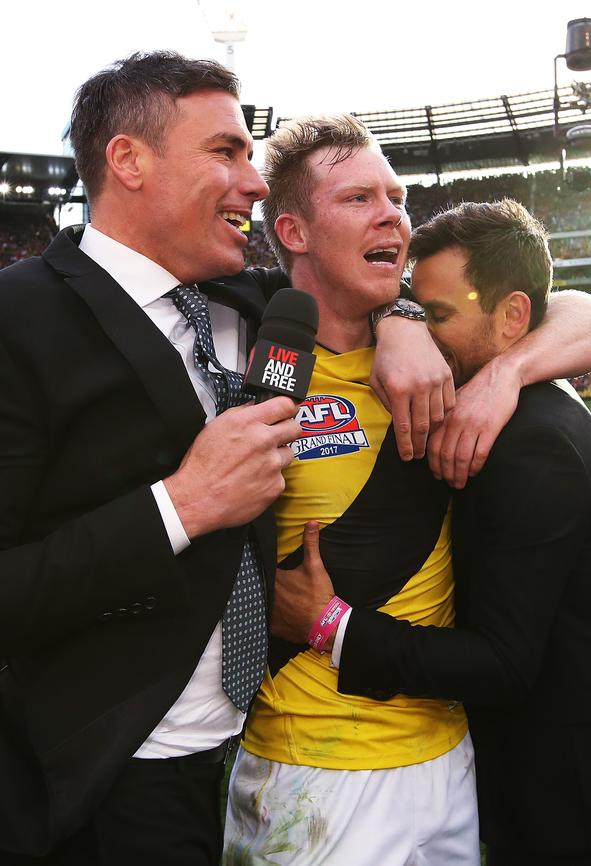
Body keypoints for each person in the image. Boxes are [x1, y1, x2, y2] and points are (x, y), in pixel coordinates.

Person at [0, 53, 445, 866]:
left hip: (257, 751)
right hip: (112, 779)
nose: (254, 181)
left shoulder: (261, 306)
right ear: (128, 161)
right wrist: (181, 505)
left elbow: (574, 313)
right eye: (225, 153)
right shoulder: (18, 317)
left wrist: (408, 314)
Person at [224, 118, 591, 865]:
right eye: (358, 198)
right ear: (293, 230)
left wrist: (462, 351)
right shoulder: (244, 352)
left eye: (397, 196)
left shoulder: (450, 354)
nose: (391, 214)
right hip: (317, 764)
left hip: (452, 759)